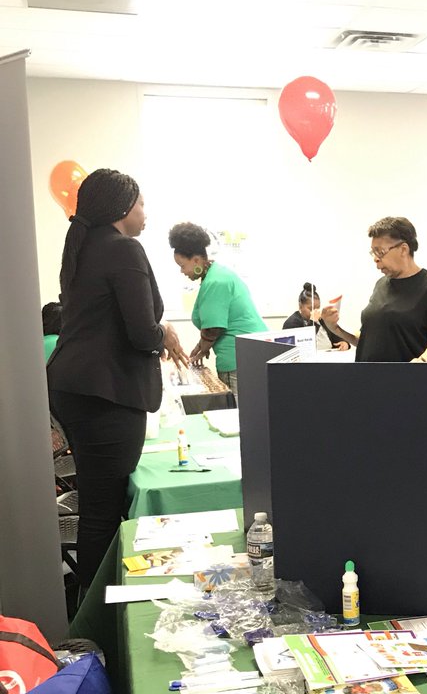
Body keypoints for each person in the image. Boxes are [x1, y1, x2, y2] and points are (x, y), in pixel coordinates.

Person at [47, 169, 188, 588]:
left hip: (74, 387)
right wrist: (165, 331)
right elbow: (142, 331)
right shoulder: (123, 249)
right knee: (103, 510)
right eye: (142, 203)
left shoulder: (83, 246)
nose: (146, 213)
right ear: (122, 207)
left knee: (97, 504)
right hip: (104, 394)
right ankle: (98, 614)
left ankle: (95, 603)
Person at [321, 217, 427, 363]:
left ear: (403, 249)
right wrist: (334, 328)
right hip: (368, 377)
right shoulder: (381, 284)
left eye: (380, 252)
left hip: (405, 379)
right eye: (373, 252)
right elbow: (365, 341)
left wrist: (421, 362)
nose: (376, 259)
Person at [168, 222, 267, 399]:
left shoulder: (215, 281)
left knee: (237, 415)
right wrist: (201, 347)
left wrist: (201, 349)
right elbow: (212, 328)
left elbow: (213, 329)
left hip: (237, 358)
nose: (182, 272)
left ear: (196, 260)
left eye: (182, 265)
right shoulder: (218, 274)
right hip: (249, 354)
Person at [282, 283, 349, 350]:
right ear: (300, 306)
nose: (315, 311)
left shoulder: (321, 319)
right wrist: (312, 322)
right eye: (311, 308)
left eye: (318, 308)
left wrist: (344, 343)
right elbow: (304, 345)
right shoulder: (291, 323)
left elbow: (337, 337)